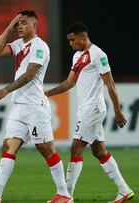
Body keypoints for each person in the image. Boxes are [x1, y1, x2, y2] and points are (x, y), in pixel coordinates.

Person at [0, 11, 73, 203]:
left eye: (23, 23)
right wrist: (8, 27)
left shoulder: (40, 46)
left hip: (35, 105)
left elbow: (30, 74)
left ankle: (64, 194)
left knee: (45, 148)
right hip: (18, 106)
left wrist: (6, 90)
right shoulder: (19, 44)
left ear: (34, 25)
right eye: (17, 24)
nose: (19, 26)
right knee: (8, 146)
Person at [45, 21, 135, 203]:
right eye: (68, 40)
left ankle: (66, 195)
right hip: (85, 109)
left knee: (76, 147)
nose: (70, 44)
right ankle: (124, 190)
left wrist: (118, 111)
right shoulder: (77, 56)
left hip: (93, 108)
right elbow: (69, 83)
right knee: (99, 151)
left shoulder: (98, 55)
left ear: (83, 37)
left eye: (72, 40)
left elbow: (110, 84)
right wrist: (47, 93)